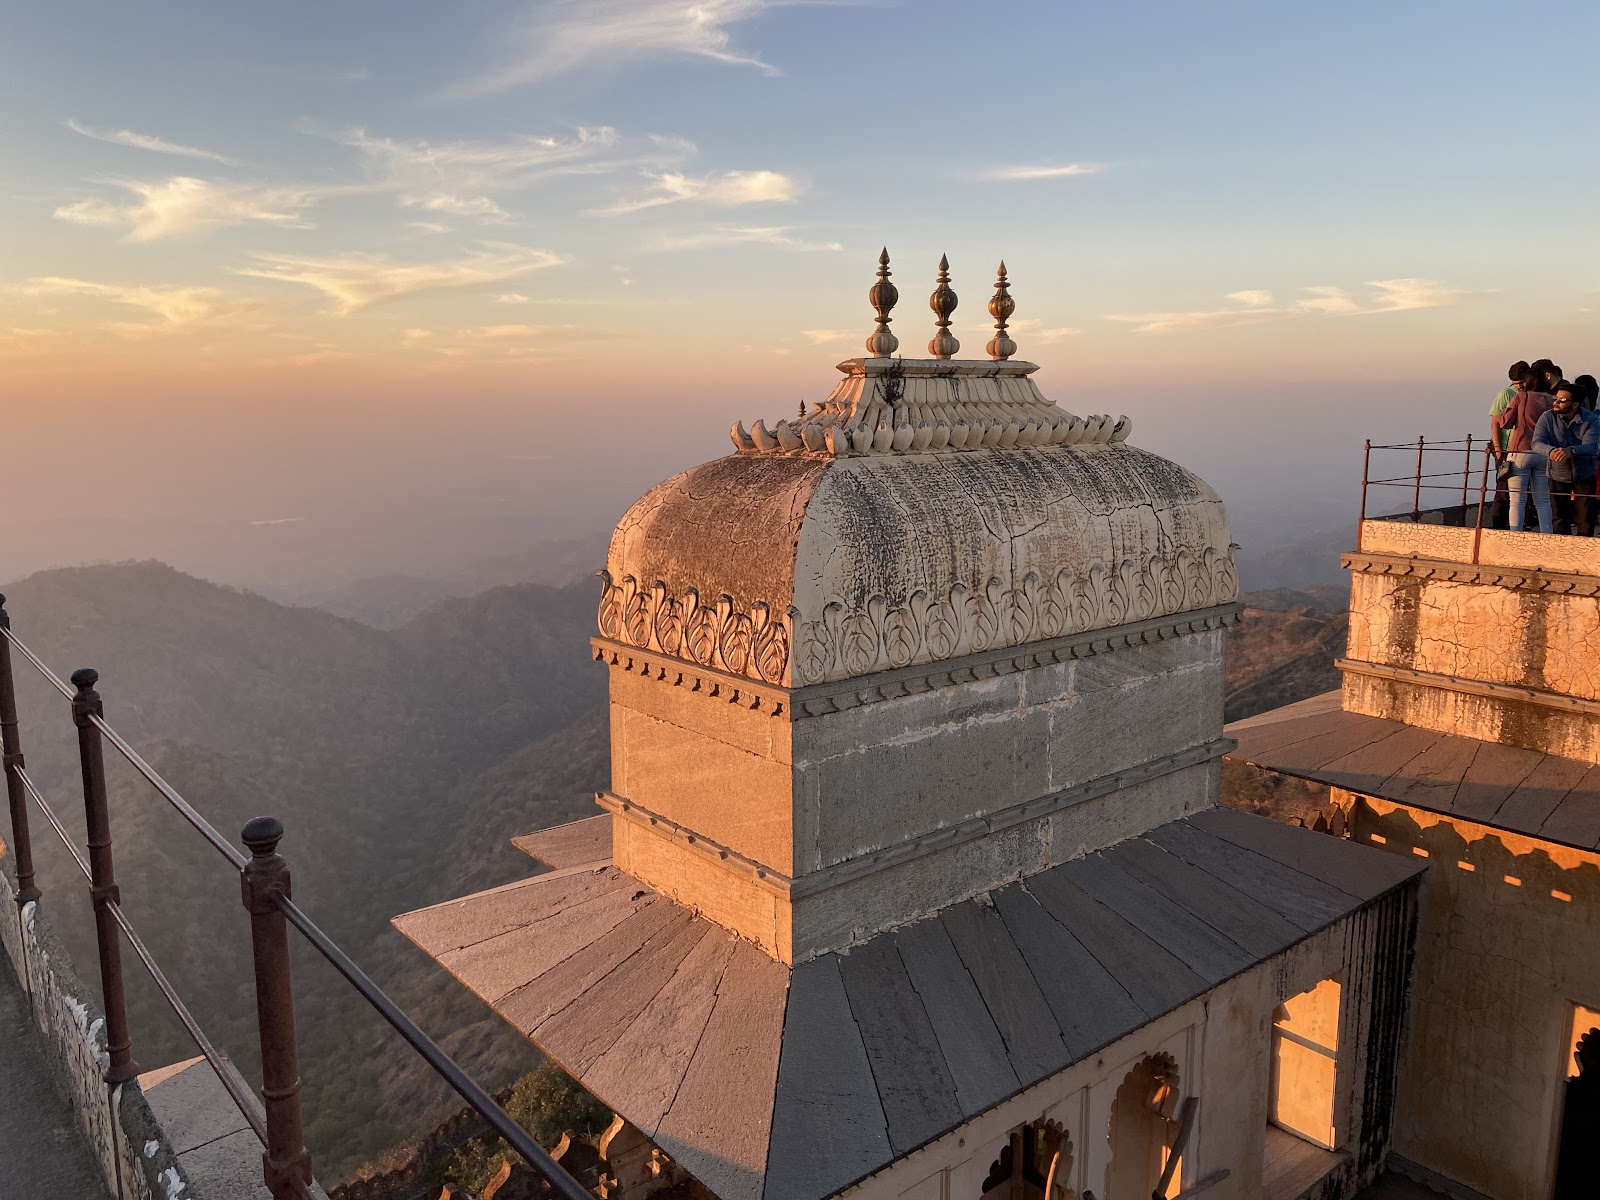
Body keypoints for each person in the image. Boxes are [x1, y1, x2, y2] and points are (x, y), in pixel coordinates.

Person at [1534, 383, 1600, 535]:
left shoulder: (1591, 420)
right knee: (1559, 518)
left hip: (1584, 474)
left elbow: (1592, 446)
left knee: (1585, 519)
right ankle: (1560, 554)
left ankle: (1583, 554)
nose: (1556, 403)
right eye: (1556, 398)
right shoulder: (1547, 417)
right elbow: (1537, 442)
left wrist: (1572, 450)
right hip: (1557, 474)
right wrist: (1550, 451)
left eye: (1562, 400)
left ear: (1575, 404)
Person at [1494, 372, 1555, 532]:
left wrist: (1502, 414)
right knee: (1542, 499)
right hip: (1543, 452)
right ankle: (1547, 535)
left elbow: (1506, 423)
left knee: (1516, 500)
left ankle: (1515, 535)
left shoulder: (1521, 397)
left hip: (1520, 451)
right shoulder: (1551, 400)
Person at [1489, 361, 1530, 528]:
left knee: (1522, 490)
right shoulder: (1505, 395)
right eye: (1516, 383)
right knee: (1503, 490)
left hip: (1524, 449)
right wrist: (1499, 451)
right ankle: (1498, 525)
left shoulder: (1531, 394)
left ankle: (1520, 522)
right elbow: (1495, 423)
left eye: (1521, 382)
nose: (1519, 386)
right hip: (1506, 448)